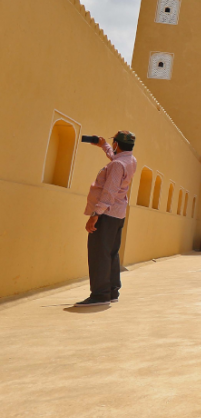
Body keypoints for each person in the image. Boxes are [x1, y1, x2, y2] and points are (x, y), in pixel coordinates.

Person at [75, 131, 137, 307]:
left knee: (99, 254)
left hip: (106, 214)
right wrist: (104, 146)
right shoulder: (130, 160)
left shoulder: (118, 164)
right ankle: (111, 292)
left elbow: (109, 192)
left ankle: (100, 295)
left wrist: (94, 216)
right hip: (118, 214)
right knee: (111, 253)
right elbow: (116, 159)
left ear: (117, 144)